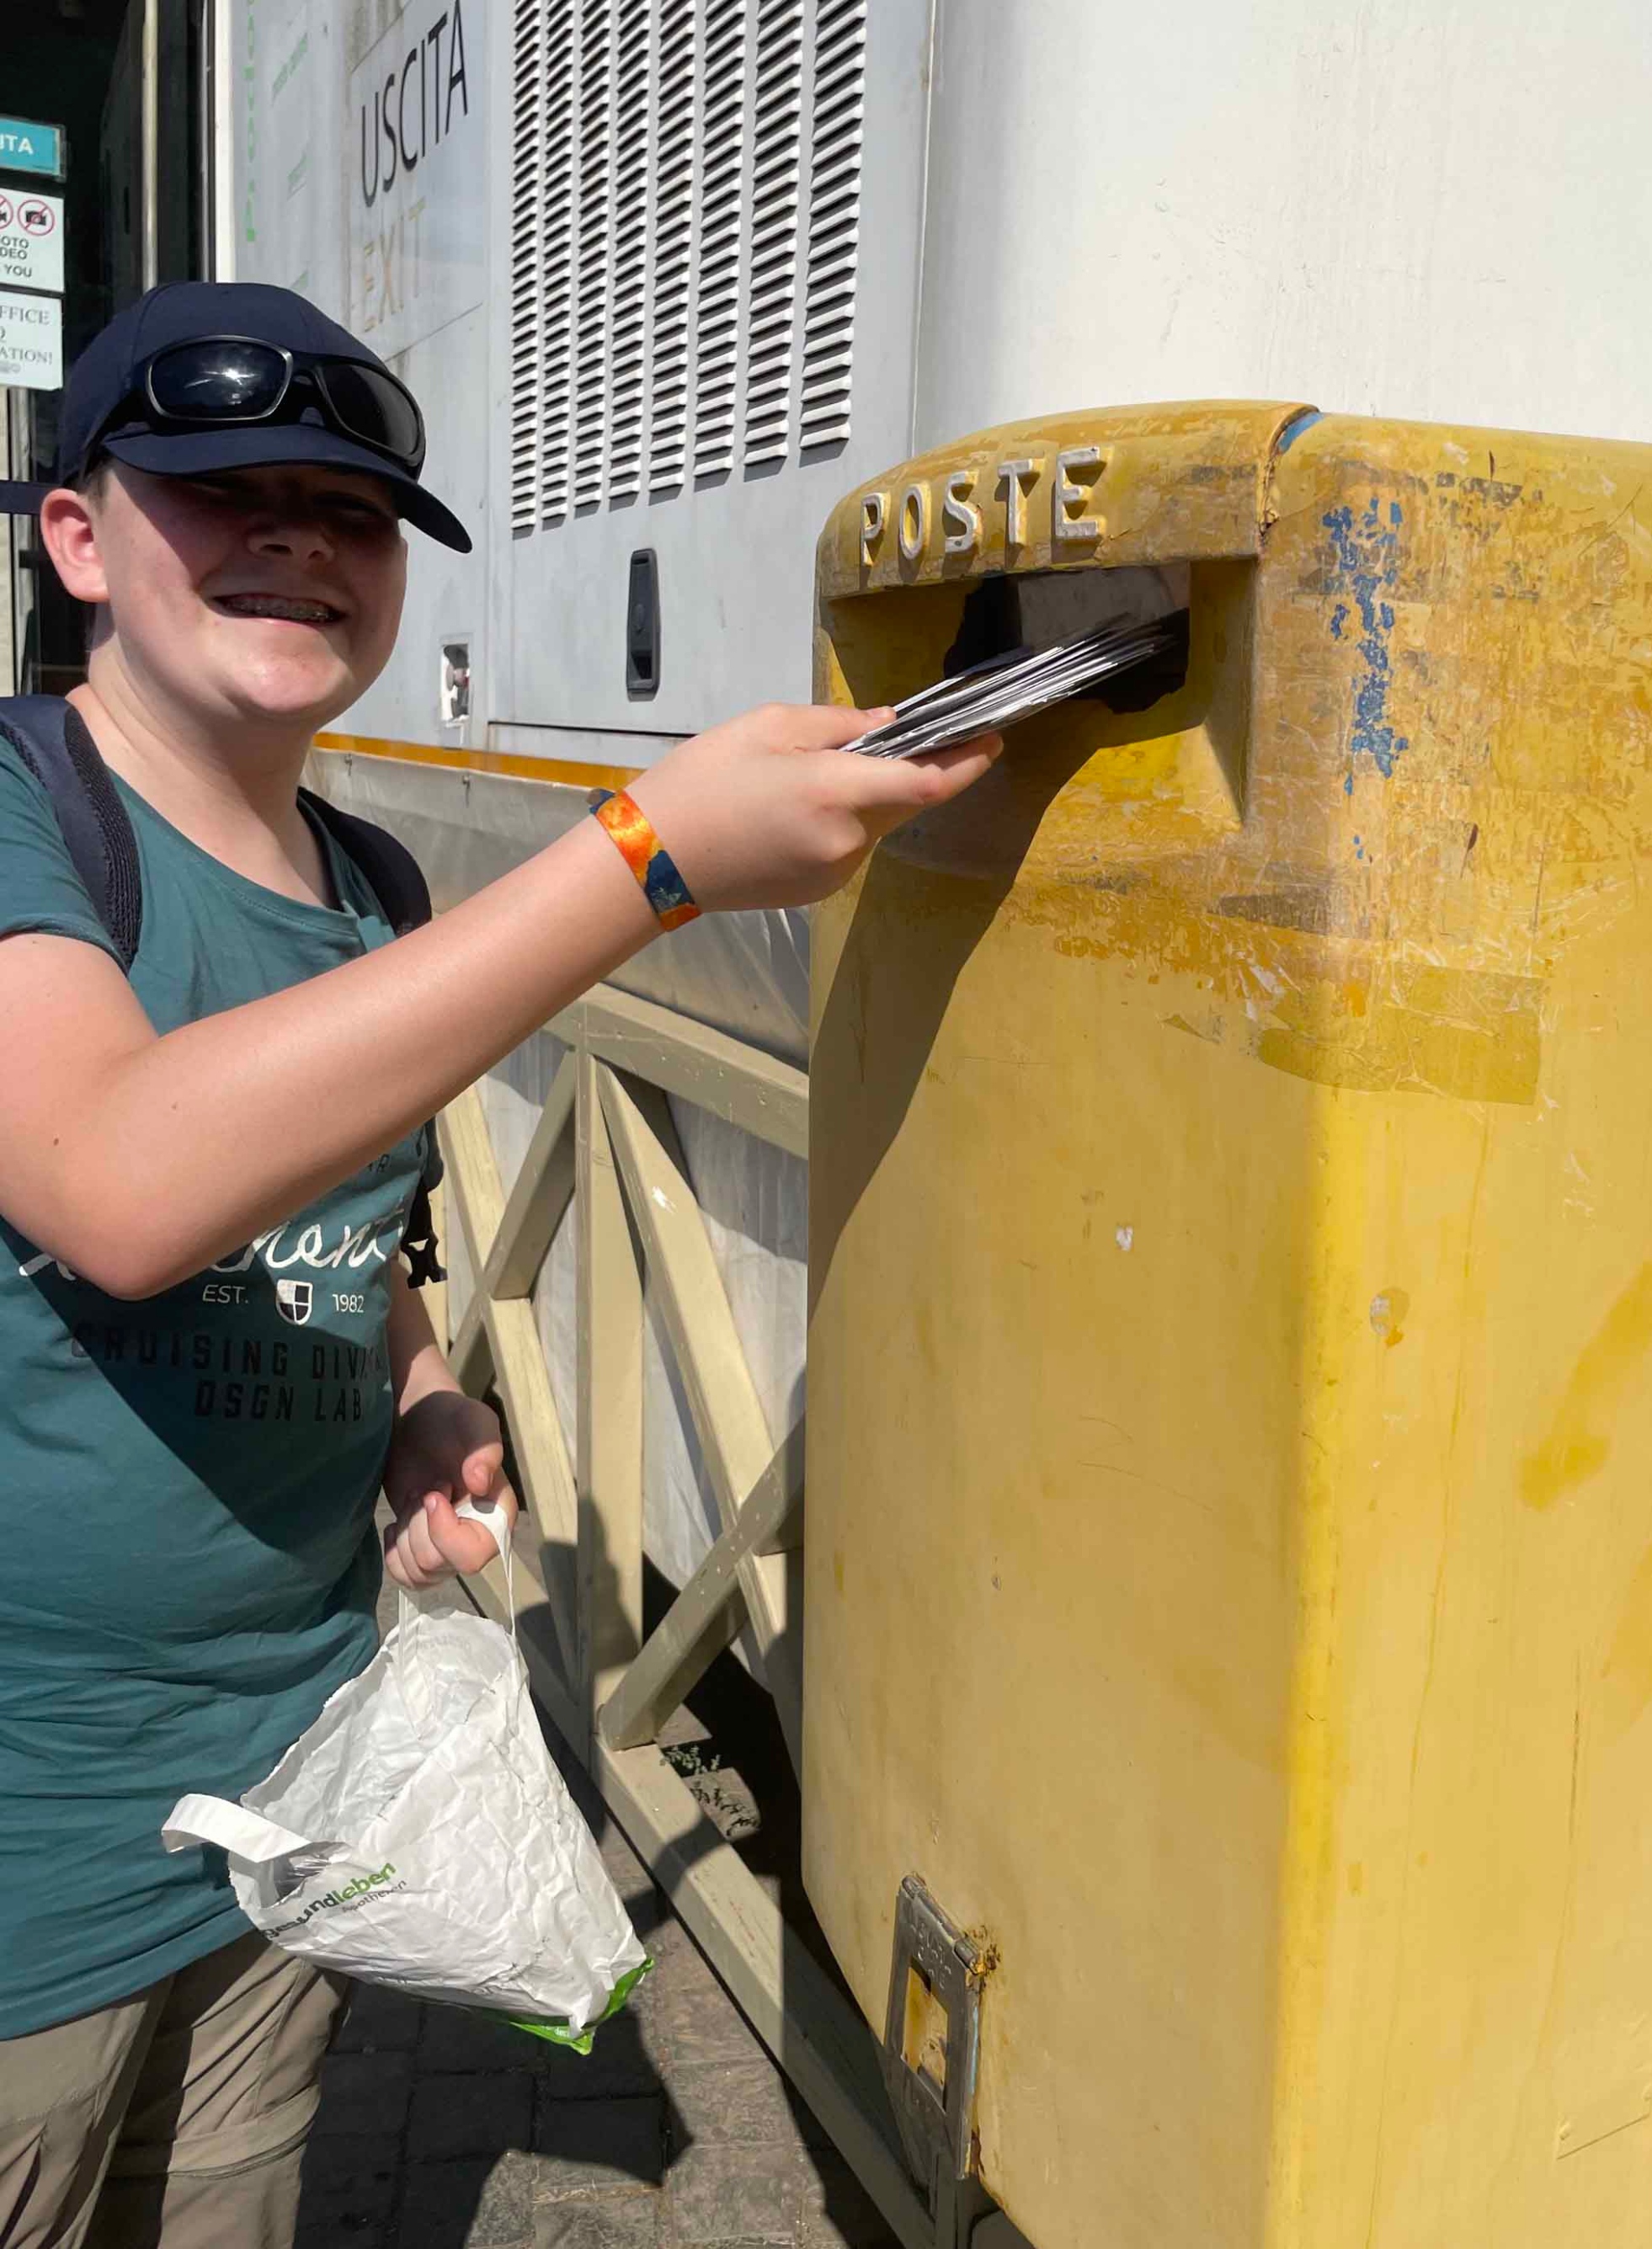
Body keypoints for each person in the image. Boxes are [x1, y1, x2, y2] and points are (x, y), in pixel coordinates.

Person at [0, 280, 999, 2249]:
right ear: (81, 538)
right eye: (230, 493)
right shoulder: (30, 814)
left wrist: (419, 1396)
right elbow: (118, 1181)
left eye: (349, 511)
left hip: (296, 1801)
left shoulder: (371, 885)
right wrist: (648, 848)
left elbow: (359, 1231)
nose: (299, 536)